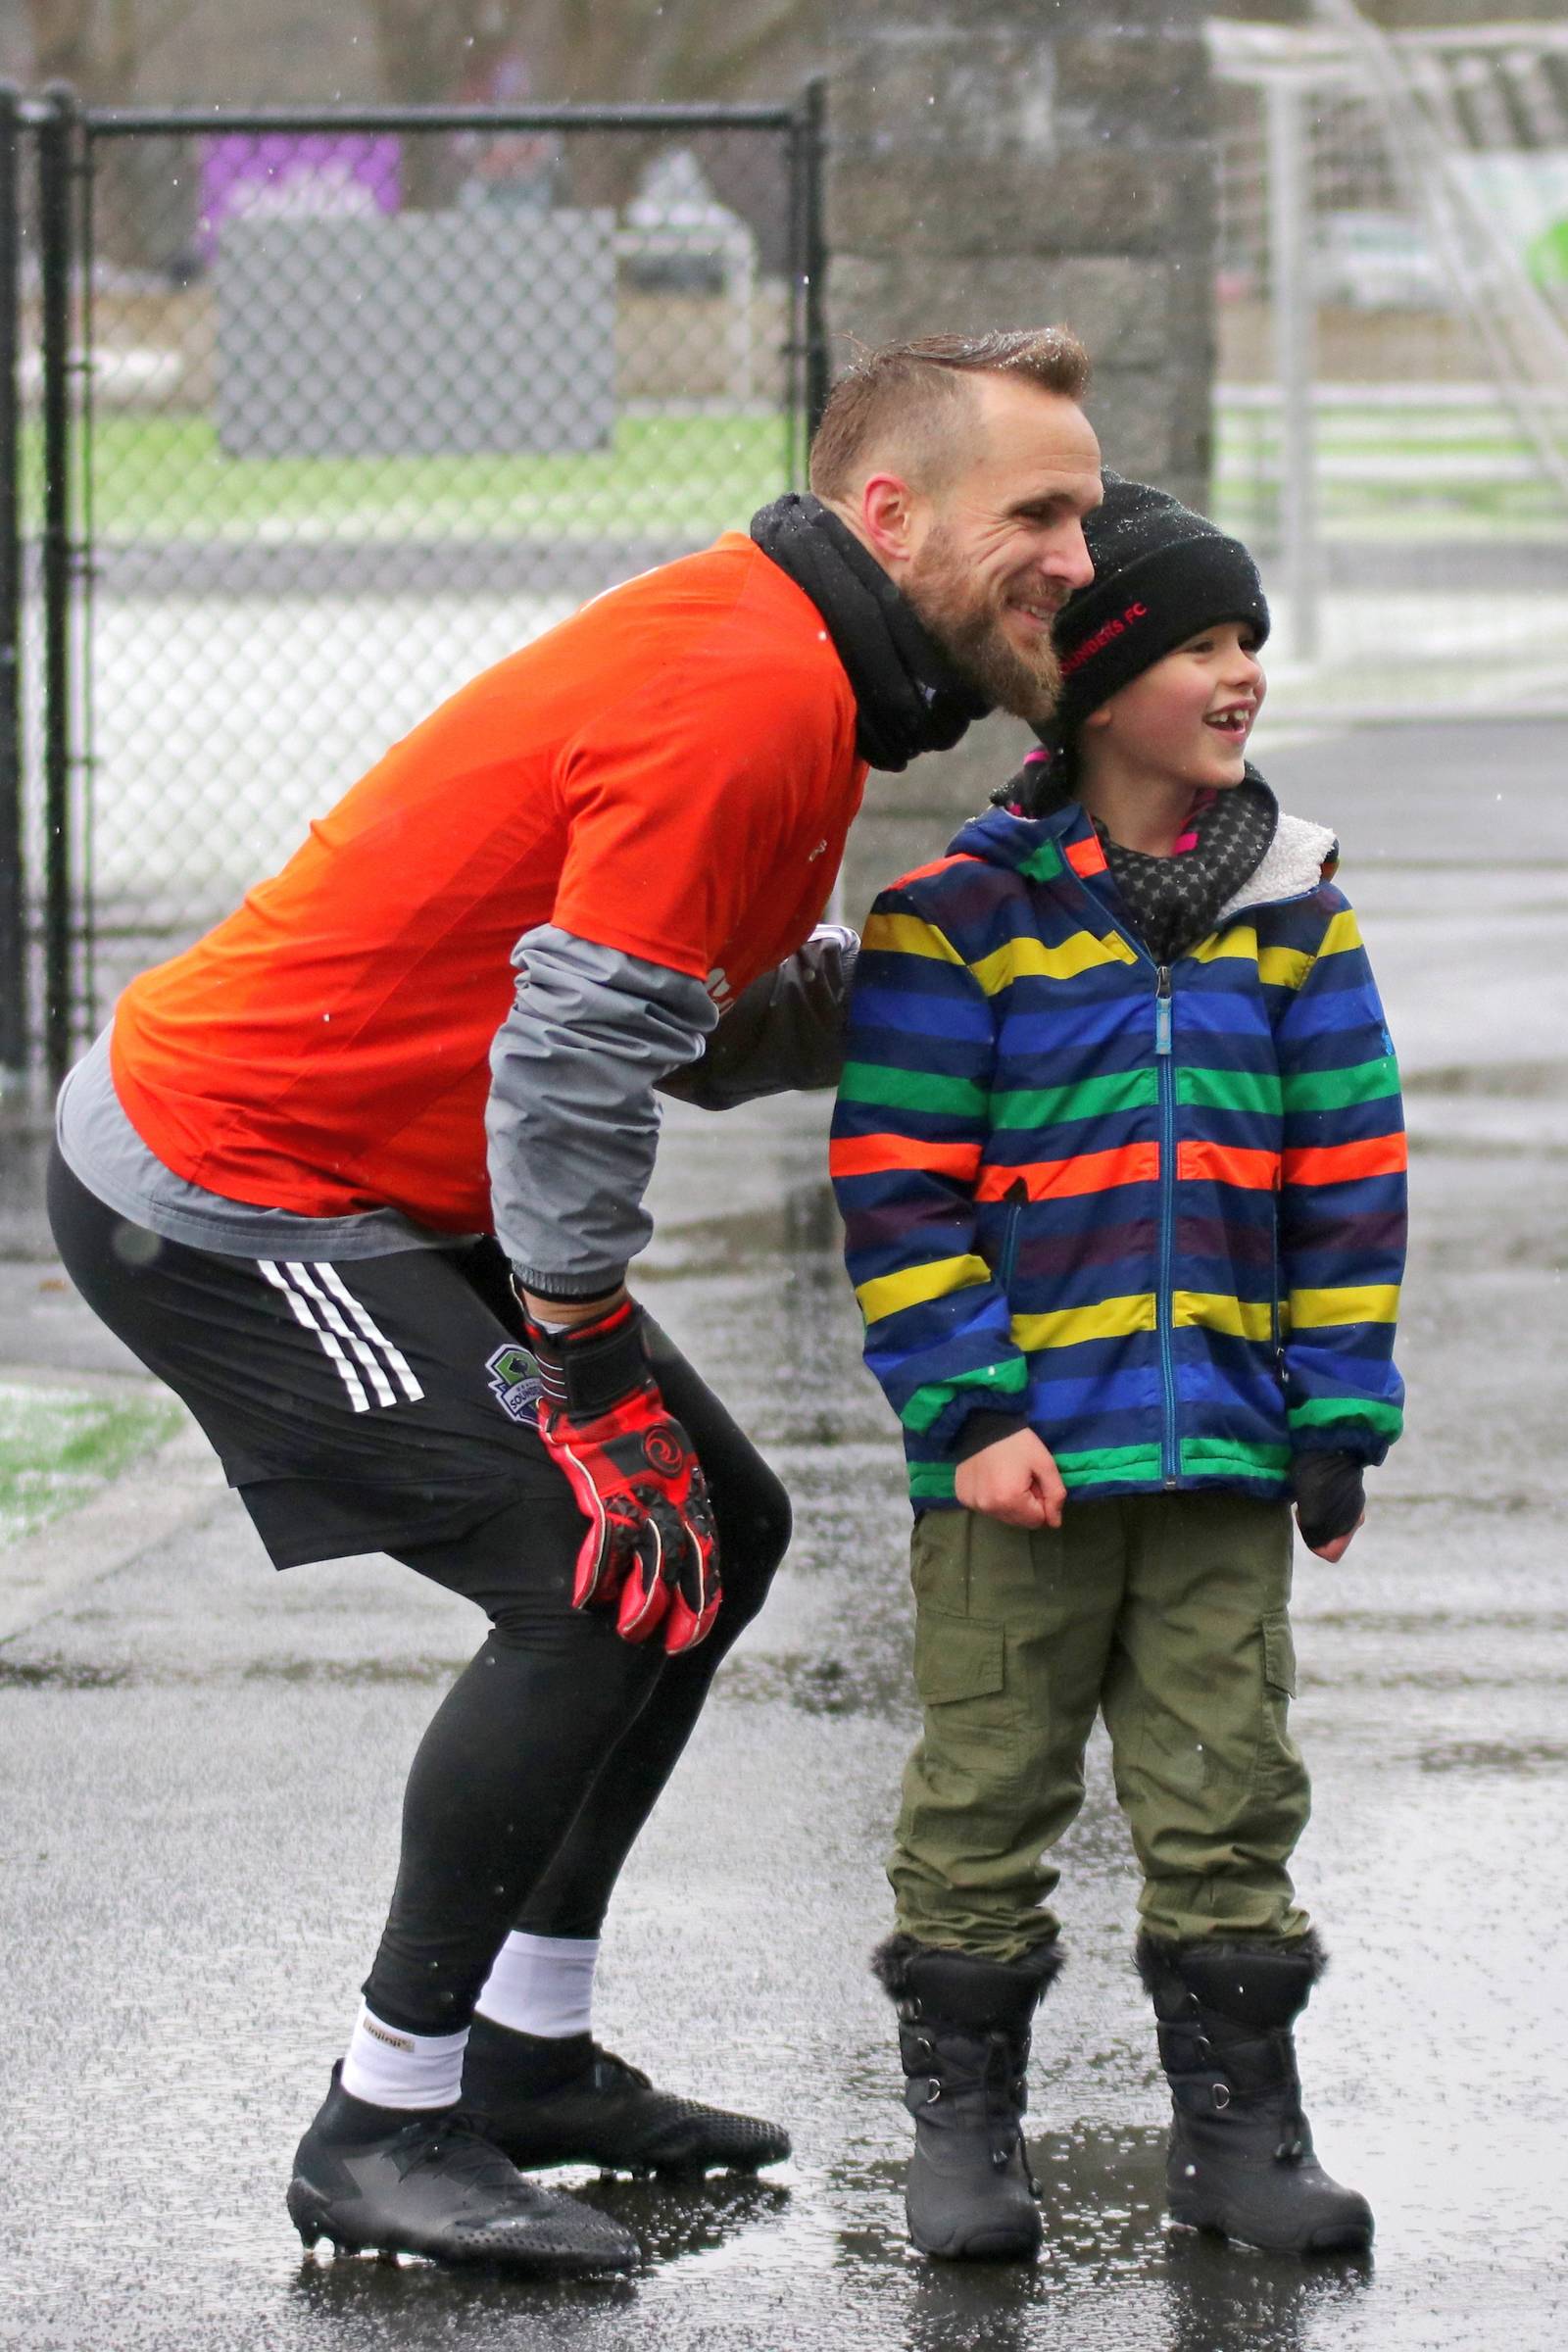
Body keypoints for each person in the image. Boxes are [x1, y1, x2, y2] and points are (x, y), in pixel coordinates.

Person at [46, 329, 1103, 2274]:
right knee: (591, 1567)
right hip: (226, 1182)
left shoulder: (799, 664)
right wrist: (590, 1365)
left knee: (717, 1532)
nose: (1072, 552)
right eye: (1033, 512)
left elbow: (694, 1027)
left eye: (1087, 515)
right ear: (890, 514)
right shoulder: (749, 696)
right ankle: (380, 2116)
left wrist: (955, 997)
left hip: (384, 1164)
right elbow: (573, 1065)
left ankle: (524, 2054)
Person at [830, 474, 1406, 2264]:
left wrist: (1339, 1415)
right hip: (1023, 1473)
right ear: (1094, 684)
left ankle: (1243, 2142)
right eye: (1199, 645)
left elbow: (1352, 1179)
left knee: (1229, 1792)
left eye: (1251, 642)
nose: (1241, 675)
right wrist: (971, 1412)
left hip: (1227, 1463)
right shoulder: (959, 920)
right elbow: (897, 1188)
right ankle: (964, 2138)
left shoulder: (1298, 912)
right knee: (986, 1792)